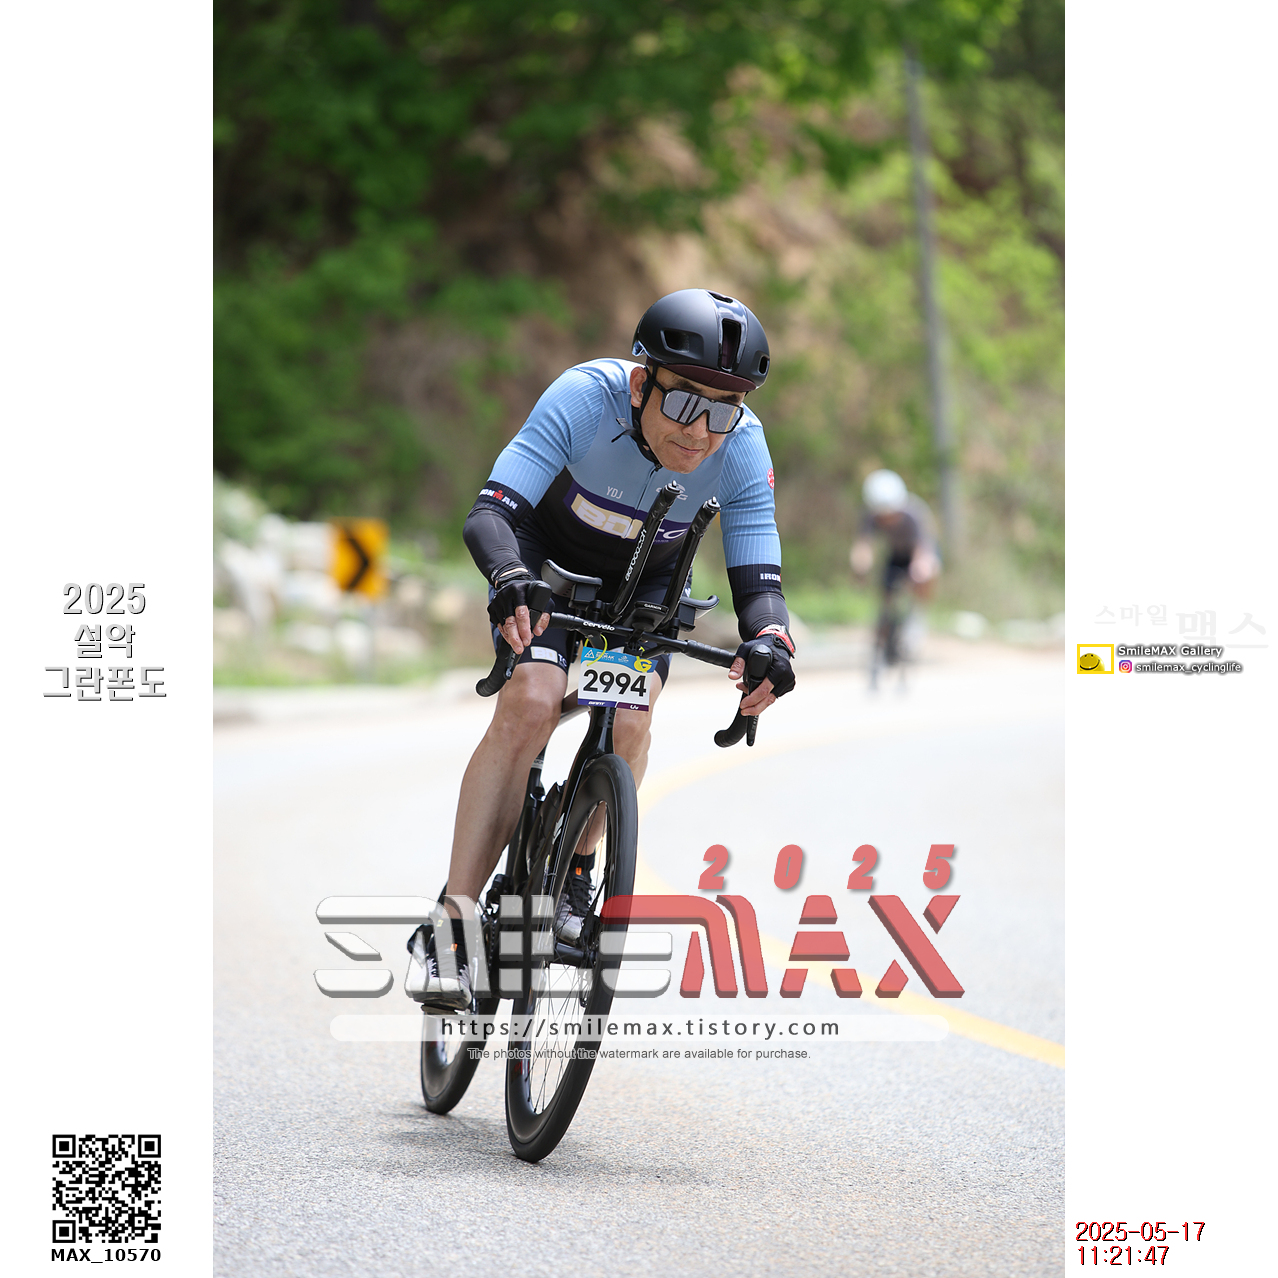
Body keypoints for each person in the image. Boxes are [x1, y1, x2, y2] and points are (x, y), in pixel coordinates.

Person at [407, 289, 797, 1007]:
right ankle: (451, 926)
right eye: (685, 403)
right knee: (532, 700)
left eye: (724, 409)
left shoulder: (742, 445)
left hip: (647, 585)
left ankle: (575, 874)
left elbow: (758, 567)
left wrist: (770, 636)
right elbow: (491, 513)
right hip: (543, 566)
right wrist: (509, 577)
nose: (701, 432)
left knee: (632, 722)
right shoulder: (585, 400)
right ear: (641, 381)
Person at [849, 469, 941, 599]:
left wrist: (920, 568)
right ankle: (888, 608)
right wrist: (860, 566)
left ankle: (920, 608)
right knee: (887, 586)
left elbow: (924, 547)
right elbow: (863, 545)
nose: (886, 521)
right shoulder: (870, 516)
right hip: (897, 552)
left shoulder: (915, 514)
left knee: (924, 573)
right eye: (882, 517)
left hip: (922, 550)